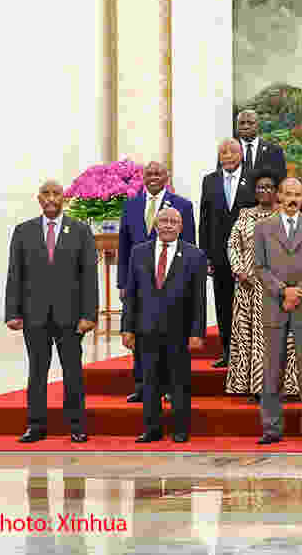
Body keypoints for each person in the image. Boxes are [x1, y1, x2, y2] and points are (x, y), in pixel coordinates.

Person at [8, 180, 97, 443]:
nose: (50, 198)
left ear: (63, 198)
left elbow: (89, 275)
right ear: (39, 199)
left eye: (56, 194)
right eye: (45, 194)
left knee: (73, 372)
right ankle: (35, 425)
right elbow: (15, 274)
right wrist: (12, 312)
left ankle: (77, 426)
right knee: (37, 372)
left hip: (70, 316)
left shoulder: (80, 231)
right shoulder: (23, 231)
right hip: (34, 315)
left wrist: (89, 314)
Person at [253, 178, 302, 445]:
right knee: (272, 368)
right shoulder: (263, 227)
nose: (292, 199)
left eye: (297, 194)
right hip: (275, 304)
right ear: (279, 196)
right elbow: (259, 266)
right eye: (288, 194)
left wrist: (298, 292)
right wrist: (283, 292)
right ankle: (271, 428)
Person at [123, 207, 206, 443]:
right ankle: (152, 429)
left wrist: (197, 332)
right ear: (155, 225)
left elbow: (199, 298)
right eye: (164, 221)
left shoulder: (194, 255)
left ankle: (180, 429)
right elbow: (131, 294)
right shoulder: (138, 253)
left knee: (179, 382)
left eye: (174, 221)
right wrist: (127, 328)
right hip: (146, 329)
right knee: (149, 382)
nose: (168, 225)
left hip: (179, 331)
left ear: (181, 226)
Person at [119, 160, 196, 401]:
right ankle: (143, 385)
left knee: (172, 337)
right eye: (149, 173)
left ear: (167, 177)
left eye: (158, 173)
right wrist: (123, 283)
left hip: (172, 282)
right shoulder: (131, 205)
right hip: (140, 282)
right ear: (143, 177)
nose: (153, 177)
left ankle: (172, 386)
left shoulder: (182, 205)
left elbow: (190, 244)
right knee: (141, 333)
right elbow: (124, 245)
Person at [224, 173, 302, 400]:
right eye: (260, 187)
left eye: (269, 187)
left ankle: (283, 387)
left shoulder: (287, 215)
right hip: (248, 287)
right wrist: (240, 270)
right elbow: (233, 245)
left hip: (279, 289)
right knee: (252, 339)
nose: (265, 191)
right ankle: (256, 387)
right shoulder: (245, 215)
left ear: (277, 192)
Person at [199, 140, 249, 368]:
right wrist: (205, 255)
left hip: (248, 255)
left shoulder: (253, 178)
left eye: (232, 151)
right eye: (223, 152)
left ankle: (247, 353)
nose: (228, 155)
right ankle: (228, 351)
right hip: (218, 255)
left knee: (246, 305)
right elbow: (204, 220)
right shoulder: (209, 180)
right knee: (223, 304)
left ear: (242, 154)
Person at [233, 109, 288, 183]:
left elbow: (281, 180)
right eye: (242, 123)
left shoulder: (274, 151)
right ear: (237, 126)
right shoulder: (229, 150)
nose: (246, 126)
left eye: (250, 123)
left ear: (258, 125)